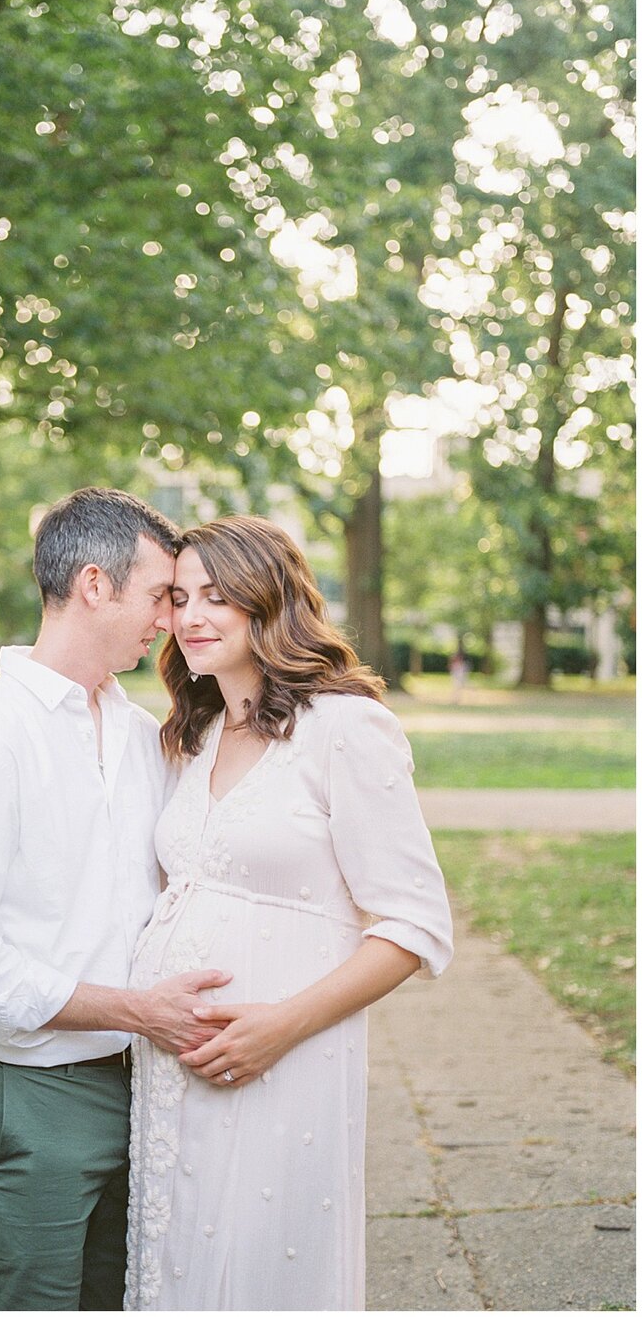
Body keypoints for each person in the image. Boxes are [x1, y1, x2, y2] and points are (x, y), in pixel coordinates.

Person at [0, 488, 231, 1312]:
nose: (169, 617)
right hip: (32, 1095)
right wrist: (136, 1010)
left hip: (145, 1086)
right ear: (96, 584)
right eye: (161, 593)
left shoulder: (137, 735)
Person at [125, 515, 454, 1312]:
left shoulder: (345, 725)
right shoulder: (197, 730)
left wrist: (281, 1024)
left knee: (263, 1264)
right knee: (175, 1266)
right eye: (178, 597)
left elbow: (411, 925)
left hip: (285, 1059)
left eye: (217, 597)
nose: (190, 617)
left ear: (267, 602)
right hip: (172, 1070)